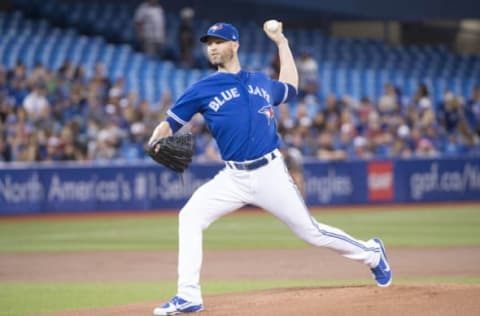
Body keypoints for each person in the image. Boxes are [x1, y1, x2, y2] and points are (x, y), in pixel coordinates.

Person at [148, 21, 392, 315]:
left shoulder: (260, 80)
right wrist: (154, 140)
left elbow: (290, 88)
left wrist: (281, 43)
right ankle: (188, 296)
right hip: (233, 177)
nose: (211, 47)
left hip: (270, 173)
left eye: (218, 41)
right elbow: (170, 123)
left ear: (234, 45)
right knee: (189, 216)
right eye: (208, 42)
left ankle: (372, 253)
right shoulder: (202, 88)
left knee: (311, 232)